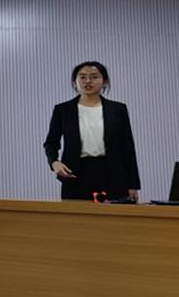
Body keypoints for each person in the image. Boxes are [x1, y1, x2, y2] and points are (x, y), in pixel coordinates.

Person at [43, 61, 140, 201]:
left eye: (94, 77)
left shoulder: (118, 109)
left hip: (113, 174)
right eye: (82, 77)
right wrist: (54, 162)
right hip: (75, 174)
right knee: (77, 214)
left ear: (104, 82)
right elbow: (51, 142)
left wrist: (133, 184)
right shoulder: (63, 110)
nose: (88, 81)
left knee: (114, 214)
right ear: (75, 82)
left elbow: (127, 147)